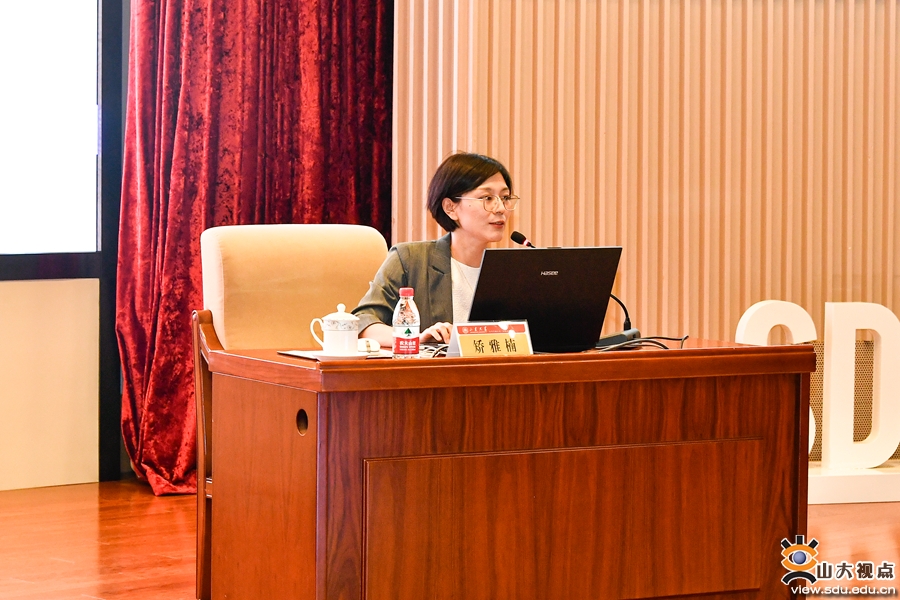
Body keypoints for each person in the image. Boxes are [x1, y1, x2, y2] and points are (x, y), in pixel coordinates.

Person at [353, 152, 519, 346]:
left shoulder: (513, 270)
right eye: (487, 198)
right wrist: (414, 338)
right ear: (450, 208)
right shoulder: (410, 260)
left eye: (505, 197)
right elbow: (363, 322)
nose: (501, 208)